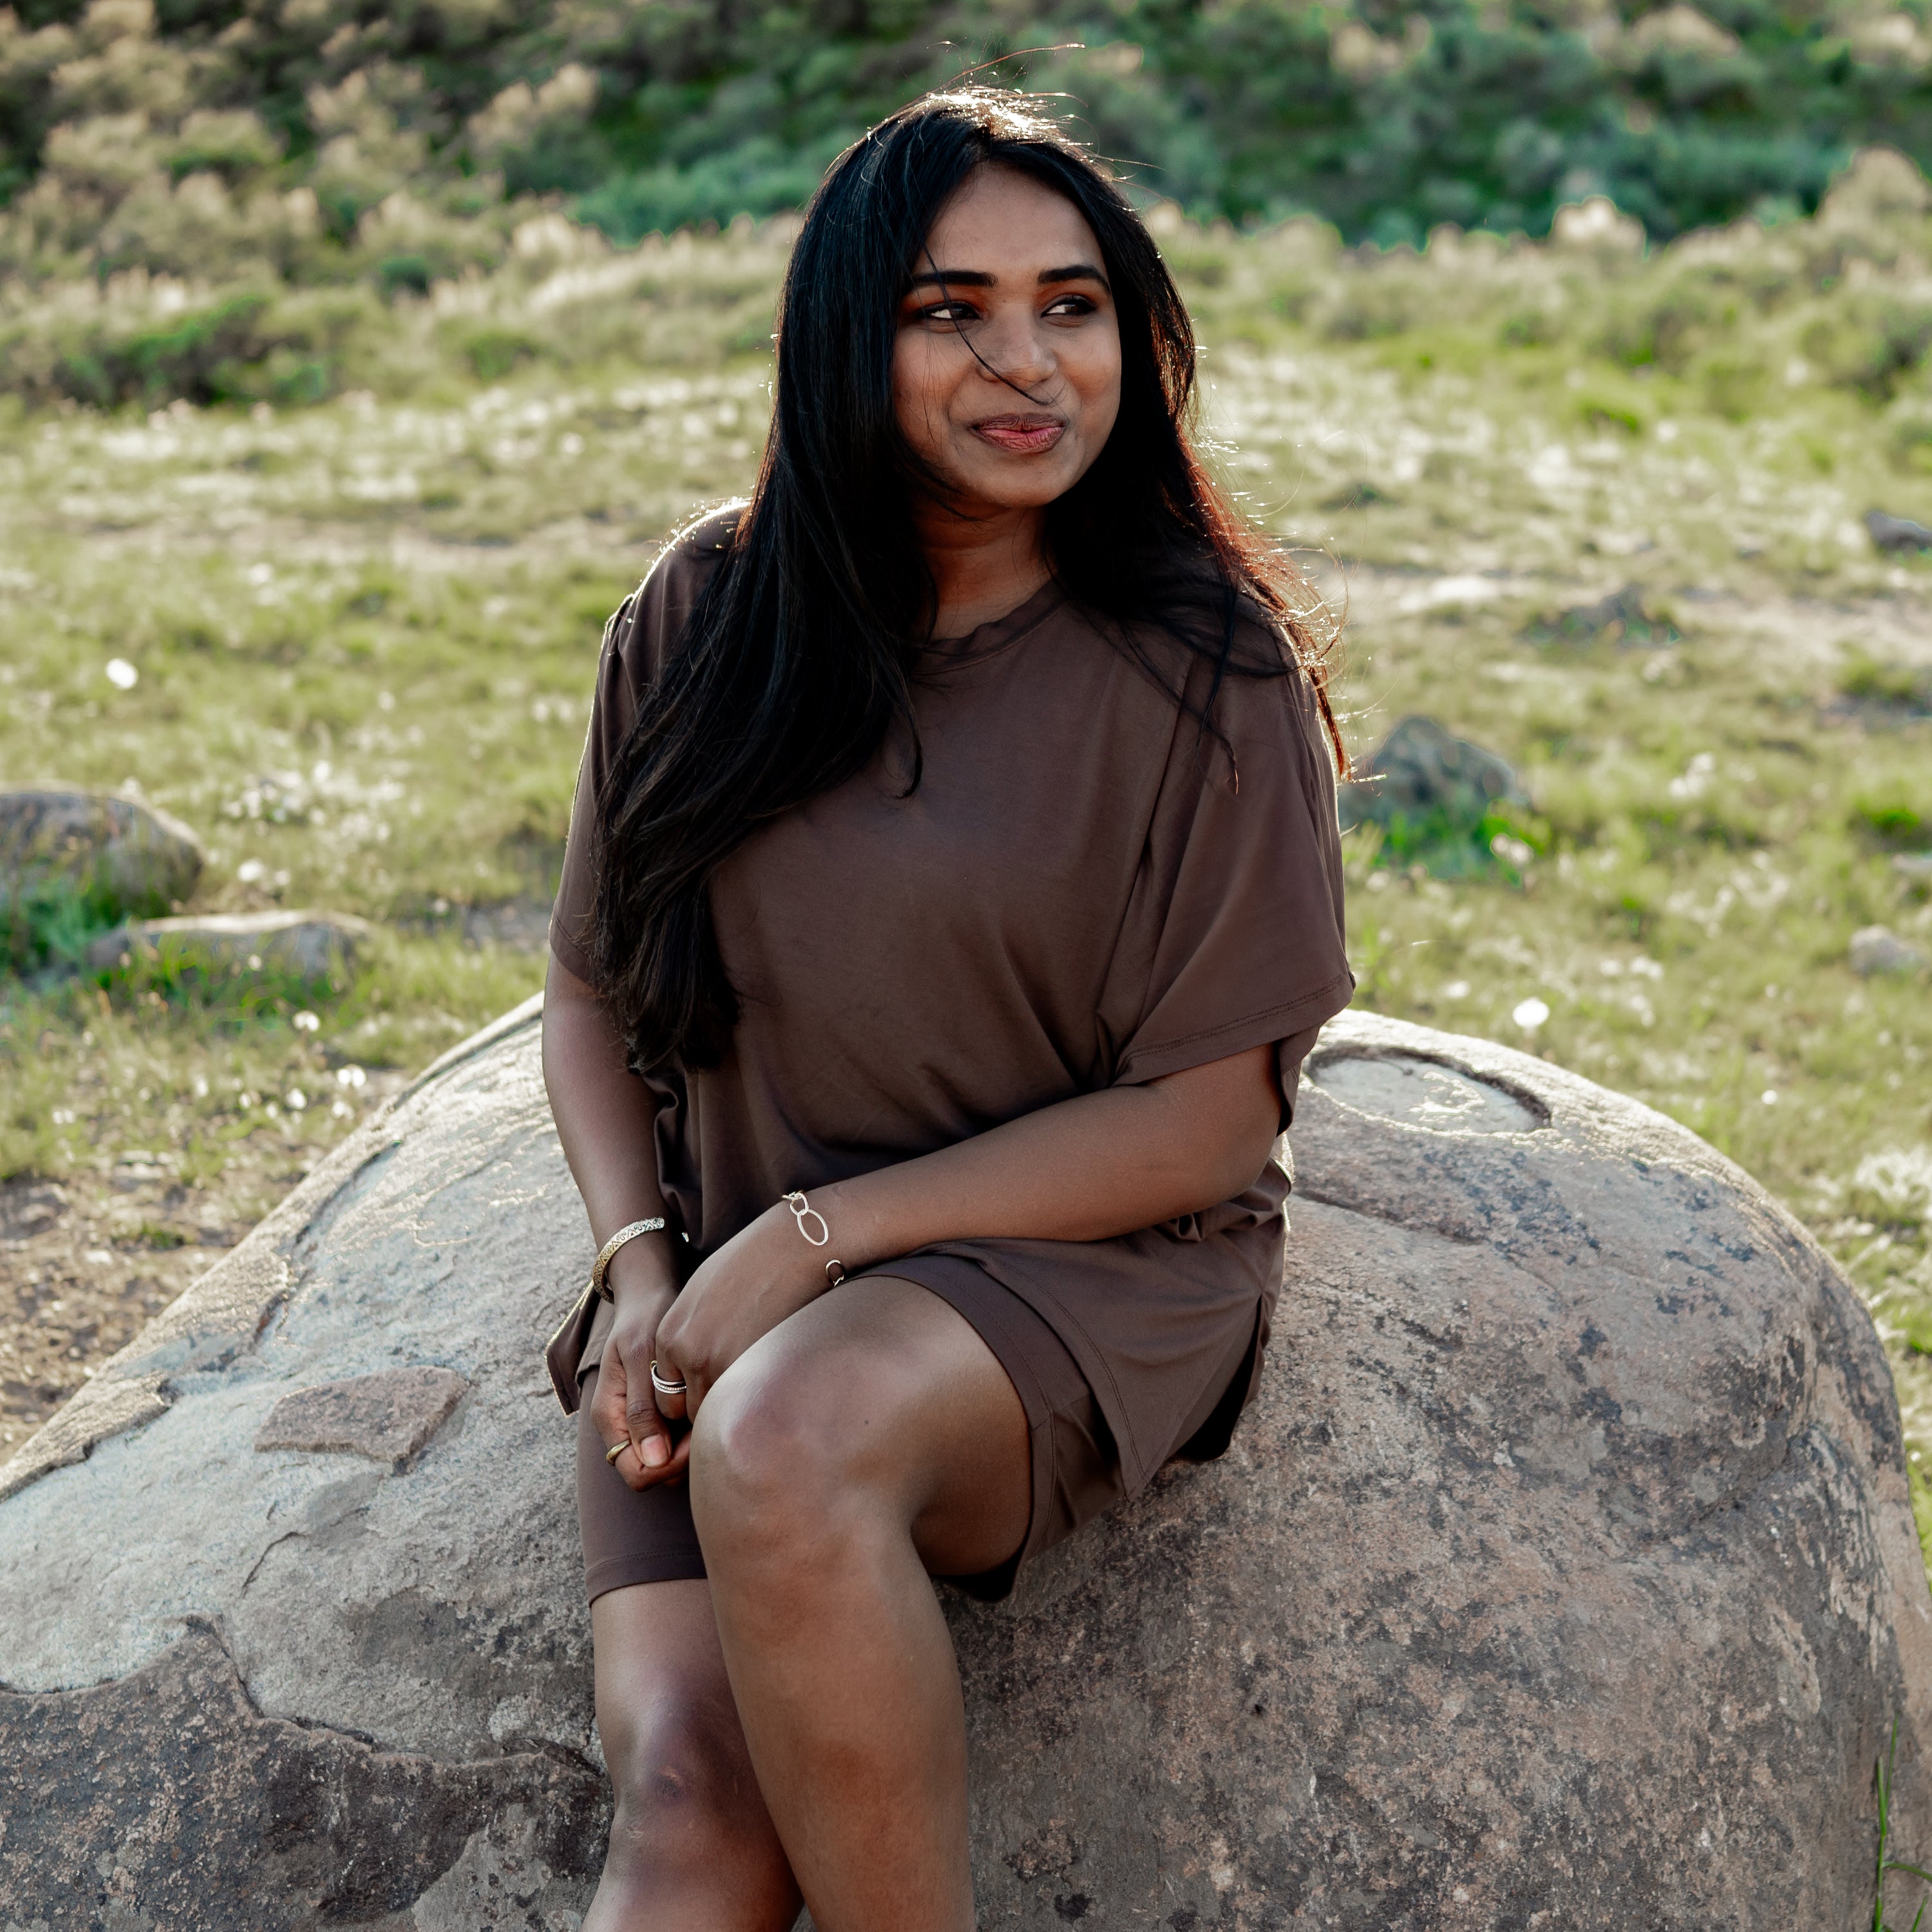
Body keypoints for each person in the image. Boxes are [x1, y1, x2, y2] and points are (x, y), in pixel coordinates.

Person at [540, 86, 1352, 1932]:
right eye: (950, 312)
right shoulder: (705, 615)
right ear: (851, 336)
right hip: (731, 1284)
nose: (1028, 363)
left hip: (1074, 1263)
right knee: (688, 1790)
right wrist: (649, 1268)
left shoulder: (1204, 669)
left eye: (1073, 307)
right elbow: (586, 1000)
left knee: (790, 1435)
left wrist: (821, 1247)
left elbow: (1211, 1118)